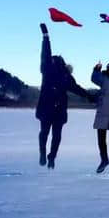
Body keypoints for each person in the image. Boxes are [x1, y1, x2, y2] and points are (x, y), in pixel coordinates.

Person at [36, 23, 90, 169]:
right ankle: (46, 155)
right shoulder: (50, 70)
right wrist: (46, 37)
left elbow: (77, 89)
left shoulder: (62, 75)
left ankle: (50, 156)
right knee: (51, 134)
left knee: (51, 134)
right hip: (48, 108)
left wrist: (91, 97)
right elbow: (46, 54)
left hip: (55, 110)